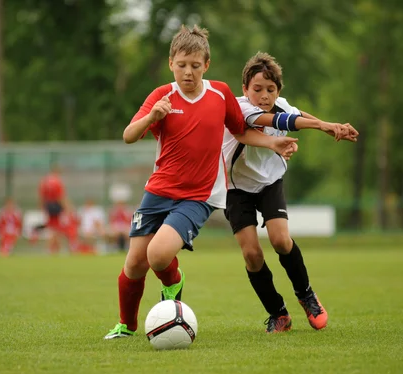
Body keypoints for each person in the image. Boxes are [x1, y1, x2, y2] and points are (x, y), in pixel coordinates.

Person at [104, 25, 298, 339]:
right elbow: (129, 135)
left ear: (206, 65)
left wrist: (272, 143)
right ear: (171, 63)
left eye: (195, 66)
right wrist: (152, 117)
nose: (188, 72)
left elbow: (239, 131)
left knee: (158, 255)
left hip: (198, 195)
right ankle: (126, 326)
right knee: (135, 263)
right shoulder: (161, 96)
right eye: (181, 65)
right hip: (157, 190)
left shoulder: (220, 94)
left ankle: (173, 283)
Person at [222, 52, 359, 333]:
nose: (264, 95)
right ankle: (278, 313)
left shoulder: (280, 103)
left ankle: (307, 294)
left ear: (278, 91)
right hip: (235, 188)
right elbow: (283, 123)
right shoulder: (240, 109)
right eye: (257, 89)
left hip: (270, 181)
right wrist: (322, 125)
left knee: (281, 241)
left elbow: (295, 115)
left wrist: (328, 126)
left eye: (270, 90)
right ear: (245, 89)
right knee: (252, 255)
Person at [38, 166, 69, 253]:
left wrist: (42, 207)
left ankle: (55, 249)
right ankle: (52, 248)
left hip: (48, 205)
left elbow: (41, 196)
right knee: (56, 228)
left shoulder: (44, 181)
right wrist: (67, 207)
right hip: (56, 206)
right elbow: (60, 197)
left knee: (52, 228)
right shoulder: (58, 182)